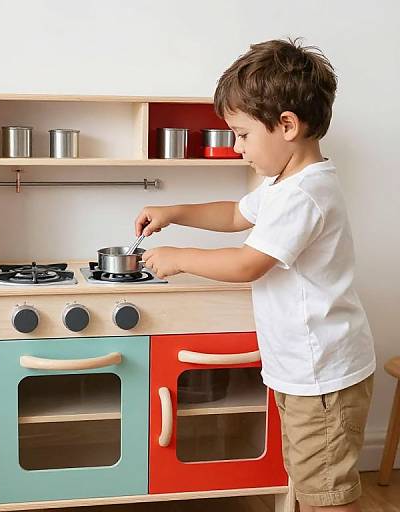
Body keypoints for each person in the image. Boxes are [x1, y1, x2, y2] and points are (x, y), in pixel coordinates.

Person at [135, 38, 375, 512]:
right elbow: (235, 215)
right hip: (303, 370)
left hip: (321, 375)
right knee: (310, 479)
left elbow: (248, 261)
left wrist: (180, 257)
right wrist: (176, 210)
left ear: (287, 125)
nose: (238, 148)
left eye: (242, 135)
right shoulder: (283, 184)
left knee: (327, 491)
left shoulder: (304, 194)